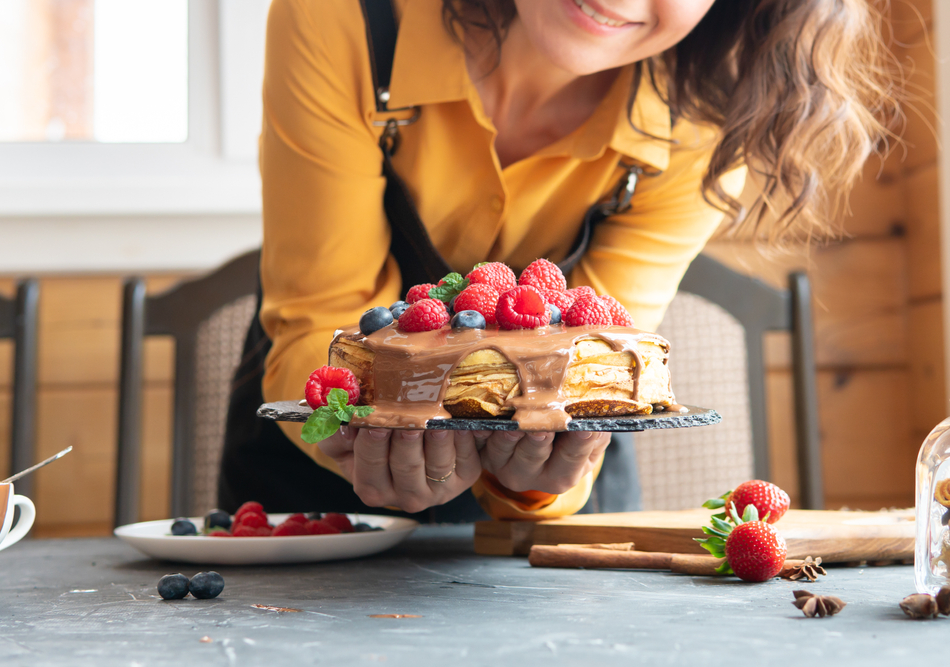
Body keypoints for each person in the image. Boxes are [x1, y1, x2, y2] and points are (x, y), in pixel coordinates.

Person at [218, 0, 895, 521]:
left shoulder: (701, 132)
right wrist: (351, 424)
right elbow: (321, 320)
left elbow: (594, 368)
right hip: (320, 499)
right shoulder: (352, 19)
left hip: (545, 513)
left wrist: (539, 478)